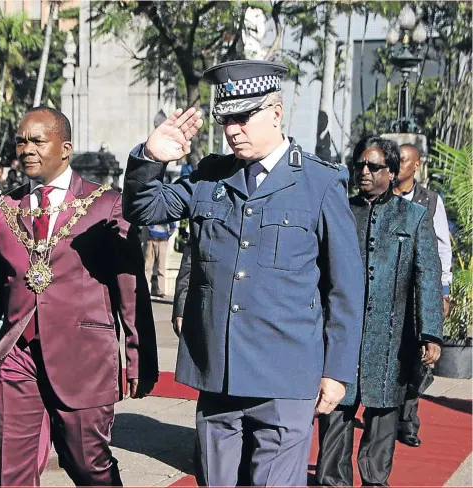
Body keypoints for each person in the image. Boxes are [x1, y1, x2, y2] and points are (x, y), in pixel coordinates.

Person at [122, 60, 364, 486]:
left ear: (276, 112)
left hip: (286, 376)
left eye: (243, 116)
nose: (232, 129)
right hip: (219, 373)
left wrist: (337, 371)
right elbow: (144, 209)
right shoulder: (209, 176)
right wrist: (150, 159)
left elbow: (344, 287)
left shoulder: (318, 182)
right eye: (226, 119)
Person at [0, 106, 159, 486]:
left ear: (64, 148)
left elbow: (130, 290)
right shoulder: (2, 212)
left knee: (87, 464)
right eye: (21, 141)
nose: (26, 149)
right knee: (14, 471)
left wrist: (138, 357)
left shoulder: (106, 205)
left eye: (37, 140)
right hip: (17, 356)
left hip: (83, 355)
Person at [316, 136, 443, 487]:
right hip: (342, 334)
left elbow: (427, 276)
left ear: (393, 171)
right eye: (360, 165)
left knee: (384, 414)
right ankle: (332, 481)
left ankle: (374, 479)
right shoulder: (340, 211)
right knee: (336, 409)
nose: (365, 173)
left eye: (374, 167)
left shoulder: (414, 217)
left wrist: (430, 332)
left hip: (392, 339)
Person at [393, 142, 453, 448]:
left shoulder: (430, 201)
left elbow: (443, 247)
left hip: (419, 292)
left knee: (417, 363)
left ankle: (408, 421)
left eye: (404, 160)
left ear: (417, 165)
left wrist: (442, 291)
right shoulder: (381, 195)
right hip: (388, 293)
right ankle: (388, 417)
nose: (398, 164)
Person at [145, 221, 176, 297]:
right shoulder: (152, 210)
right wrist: (151, 231)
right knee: (148, 267)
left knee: (161, 267)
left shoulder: (167, 212)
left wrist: (167, 235)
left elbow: (173, 226)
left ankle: (161, 291)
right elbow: (147, 222)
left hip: (163, 241)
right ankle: (144, 289)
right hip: (151, 240)